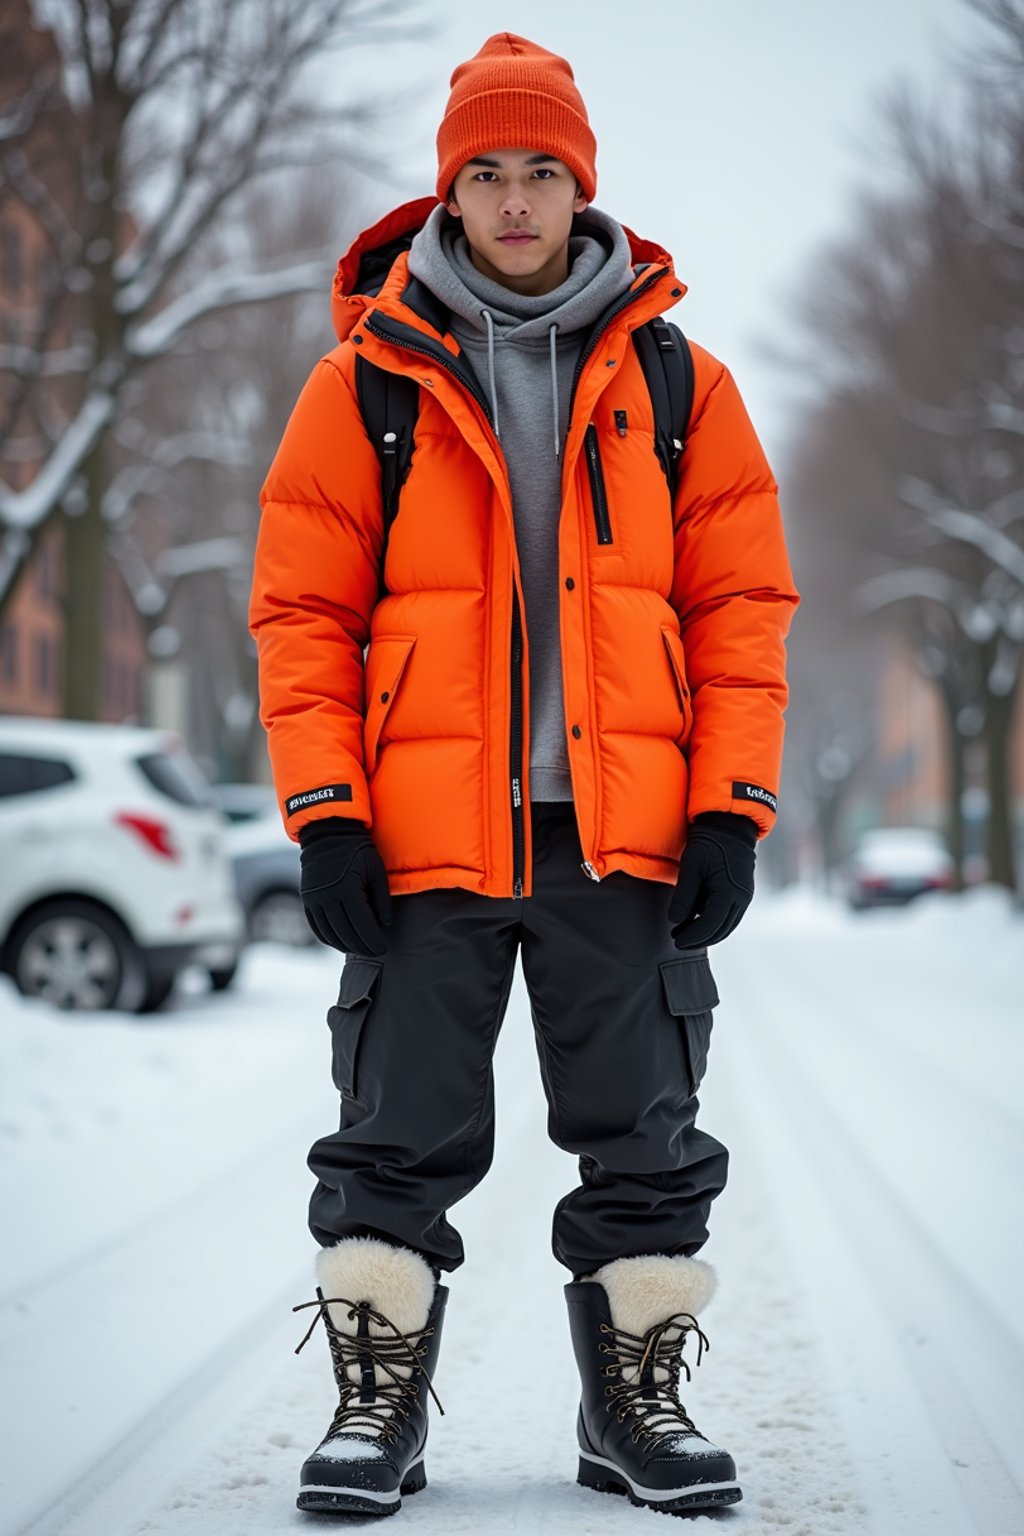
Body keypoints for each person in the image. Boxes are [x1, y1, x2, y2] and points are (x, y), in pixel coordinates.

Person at [249, 30, 799, 1521]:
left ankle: (633, 1408)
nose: (509, 197)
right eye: (483, 172)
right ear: (449, 189)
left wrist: (729, 804)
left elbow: (741, 614)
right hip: (422, 839)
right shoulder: (364, 381)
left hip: (618, 839)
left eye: (537, 170)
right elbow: (304, 613)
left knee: (643, 1139)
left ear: (581, 184)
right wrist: (325, 810)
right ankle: (380, 1407)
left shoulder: (680, 382)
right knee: (393, 1139)